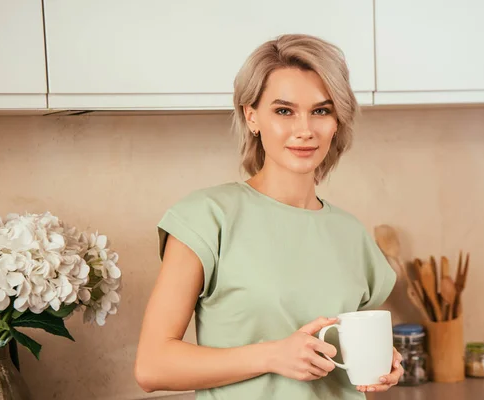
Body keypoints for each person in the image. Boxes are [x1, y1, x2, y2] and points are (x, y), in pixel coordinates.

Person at [134, 33, 403, 399]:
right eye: (284, 111)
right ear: (252, 116)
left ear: (337, 121)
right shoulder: (206, 218)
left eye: (321, 111)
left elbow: (341, 353)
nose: (305, 130)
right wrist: (272, 355)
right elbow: (153, 366)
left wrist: (382, 361)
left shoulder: (351, 233)